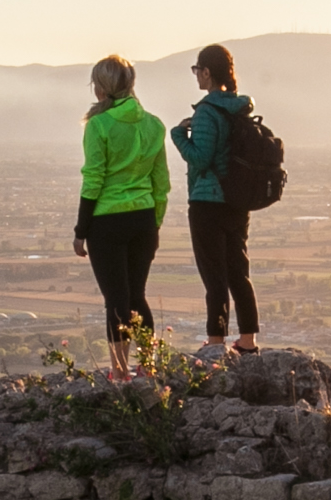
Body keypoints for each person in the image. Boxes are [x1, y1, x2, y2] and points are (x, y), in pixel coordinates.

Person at [71, 53, 170, 373]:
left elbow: (93, 180)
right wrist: (154, 223)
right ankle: (149, 366)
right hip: (143, 219)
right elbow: (161, 184)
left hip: (106, 223)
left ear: (101, 88)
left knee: (116, 298)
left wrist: (80, 230)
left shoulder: (98, 125)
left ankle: (120, 370)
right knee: (137, 296)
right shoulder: (154, 125)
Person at [172, 43, 261, 355]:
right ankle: (248, 340)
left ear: (207, 72)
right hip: (237, 201)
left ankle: (216, 342)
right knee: (239, 272)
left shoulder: (208, 111)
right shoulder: (238, 108)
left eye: (198, 70)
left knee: (214, 276)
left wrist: (178, 136)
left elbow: (200, 158)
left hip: (208, 202)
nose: (197, 76)